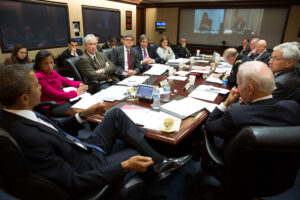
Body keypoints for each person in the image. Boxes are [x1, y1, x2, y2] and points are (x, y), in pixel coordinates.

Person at [0, 64, 191, 196]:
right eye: (37, 86)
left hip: (80, 148)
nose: (41, 89)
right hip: (86, 166)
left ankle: (161, 162)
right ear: (24, 98)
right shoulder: (27, 137)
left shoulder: (20, 113)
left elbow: (55, 128)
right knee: (135, 151)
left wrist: (84, 114)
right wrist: (124, 166)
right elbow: (73, 182)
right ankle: (151, 172)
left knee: (115, 115)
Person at [205, 61, 300, 151]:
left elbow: (209, 125)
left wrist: (226, 103)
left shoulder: (235, 115)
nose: (238, 89)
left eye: (238, 85)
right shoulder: (293, 107)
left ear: (250, 89)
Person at [34, 50, 88, 117]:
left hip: (63, 100)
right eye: (45, 63)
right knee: (82, 112)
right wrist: (76, 92)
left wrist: (79, 84)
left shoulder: (53, 72)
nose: (50, 66)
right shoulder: (38, 77)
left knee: (85, 105)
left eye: (51, 62)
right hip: (51, 106)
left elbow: (65, 81)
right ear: (39, 64)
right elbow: (55, 94)